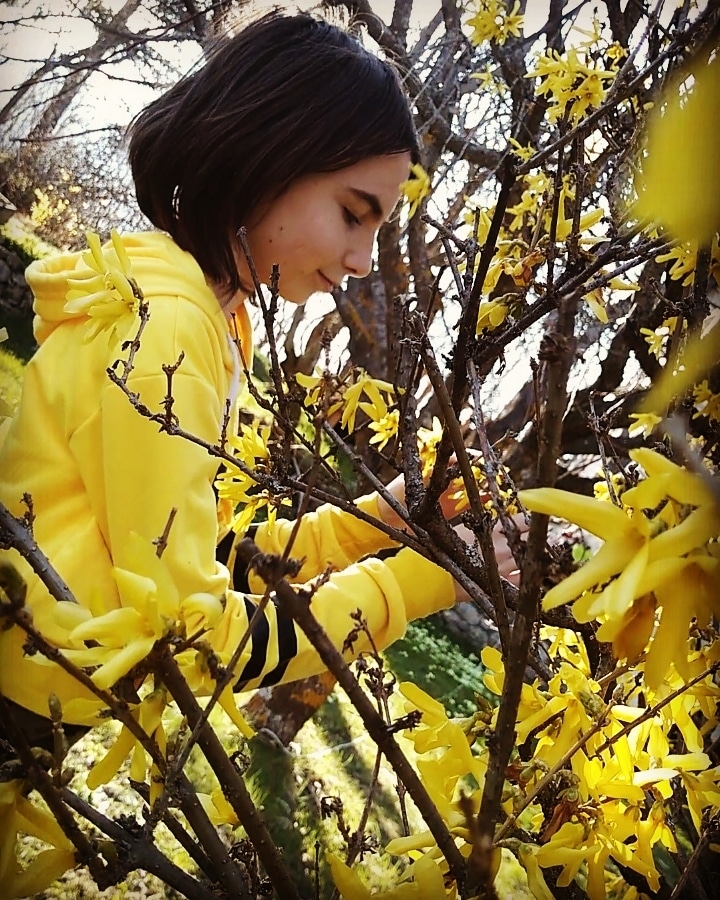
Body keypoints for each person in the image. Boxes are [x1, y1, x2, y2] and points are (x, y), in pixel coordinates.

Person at [0, 11, 514, 750]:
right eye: (353, 214)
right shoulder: (168, 328)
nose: (363, 259)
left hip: (38, 683)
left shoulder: (209, 315)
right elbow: (191, 635)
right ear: (267, 154)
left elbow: (199, 552)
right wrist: (421, 583)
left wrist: (375, 521)